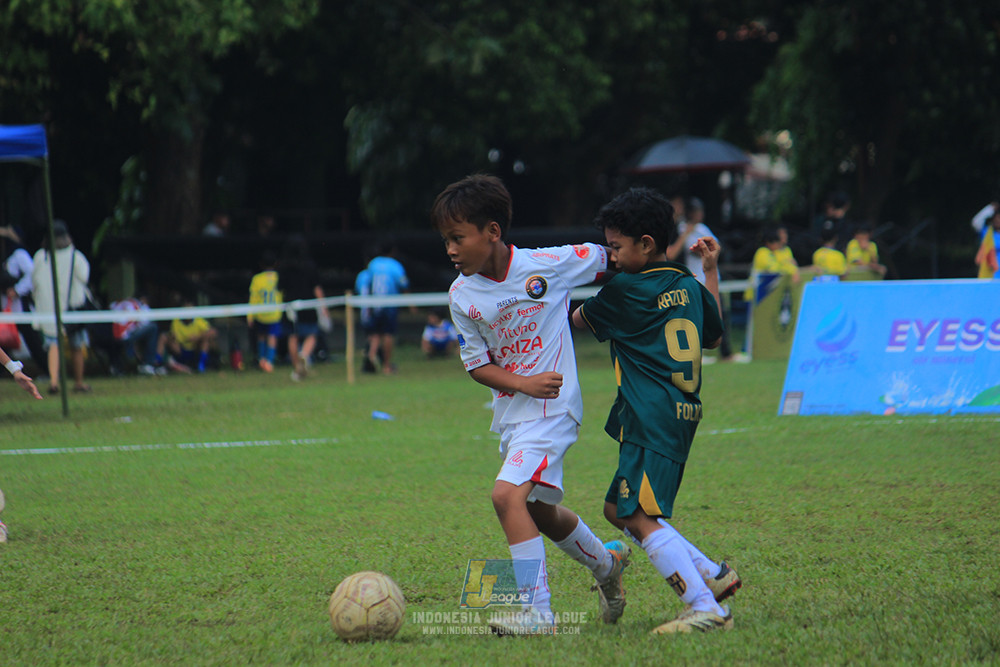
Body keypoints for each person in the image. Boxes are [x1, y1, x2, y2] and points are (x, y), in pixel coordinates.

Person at [430, 173, 629, 635]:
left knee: (505, 496)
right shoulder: (462, 296)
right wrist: (523, 382)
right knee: (537, 511)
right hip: (517, 417)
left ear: (492, 231)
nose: (451, 250)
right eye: (446, 240)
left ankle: (538, 616)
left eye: (458, 238)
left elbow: (617, 257)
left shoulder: (550, 265)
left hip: (556, 409)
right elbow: (477, 365)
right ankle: (607, 566)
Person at [571, 186, 740, 635]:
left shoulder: (627, 288)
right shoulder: (687, 283)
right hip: (677, 414)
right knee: (616, 509)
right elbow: (716, 337)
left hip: (650, 415)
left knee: (640, 517)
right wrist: (711, 271)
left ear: (645, 245)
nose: (610, 256)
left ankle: (705, 607)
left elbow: (573, 321)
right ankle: (714, 575)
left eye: (615, 247)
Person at [668, 197, 736, 362]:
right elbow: (682, 251)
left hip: (711, 277)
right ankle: (695, 352)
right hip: (695, 279)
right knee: (694, 317)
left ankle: (726, 353)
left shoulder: (702, 228)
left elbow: (716, 246)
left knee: (720, 315)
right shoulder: (681, 229)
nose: (700, 214)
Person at [30, 220, 92, 394]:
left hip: (49, 309)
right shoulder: (75, 256)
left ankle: (54, 382)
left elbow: (34, 282)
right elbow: (84, 277)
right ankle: (79, 383)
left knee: (53, 344)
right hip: (72, 308)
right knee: (76, 344)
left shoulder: (40, 257)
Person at [280, 234, 329, 381]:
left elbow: (281, 288)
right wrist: (323, 306)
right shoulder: (310, 266)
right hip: (308, 304)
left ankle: (297, 368)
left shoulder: (284, 266)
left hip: (290, 305)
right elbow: (317, 288)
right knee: (311, 334)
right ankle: (304, 355)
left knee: (293, 336)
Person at [360, 243, 412, 375]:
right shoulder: (395, 264)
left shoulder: (373, 264)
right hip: (389, 303)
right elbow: (404, 284)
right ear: (393, 251)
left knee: (376, 333)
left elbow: (367, 283)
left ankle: (371, 356)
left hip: (374, 303)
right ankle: (386, 365)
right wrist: (411, 304)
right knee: (388, 334)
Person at [1, 225, 46, 371]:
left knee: (31, 338)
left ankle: (45, 368)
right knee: (4, 338)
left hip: (20, 305)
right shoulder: (5, 257)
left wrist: (17, 290)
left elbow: (32, 275)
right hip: (6, 305)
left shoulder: (19, 254)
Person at [109, 294, 164, 375]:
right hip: (126, 335)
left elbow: (111, 307)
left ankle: (144, 361)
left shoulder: (119, 303)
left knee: (144, 332)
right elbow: (144, 322)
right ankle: (149, 363)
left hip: (113, 334)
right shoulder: (139, 305)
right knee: (153, 328)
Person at [247, 251, 283, 372]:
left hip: (260, 314)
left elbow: (253, 298)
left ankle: (261, 360)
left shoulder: (257, 279)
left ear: (261, 264)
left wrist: (250, 316)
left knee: (261, 337)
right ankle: (269, 361)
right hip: (274, 314)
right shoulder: (278, 277)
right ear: (276, 263)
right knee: (272, 337)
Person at [163, 299, 218, 373]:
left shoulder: (198, 320)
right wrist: (173, 338)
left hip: (195, 350)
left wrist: (198, 337)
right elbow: (174, 336)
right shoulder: (176, 321)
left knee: (205, 341)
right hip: (182, 350)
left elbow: (213, 332)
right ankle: (159, 363)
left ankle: (201, 366)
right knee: (164, 337)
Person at [975, 206, 1000, 279]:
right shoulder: (987, 233)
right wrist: (989, 209)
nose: (998, 221)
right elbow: (976, 222)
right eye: (997, 218)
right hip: (990, 272)